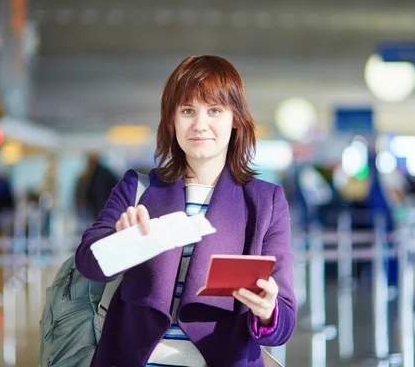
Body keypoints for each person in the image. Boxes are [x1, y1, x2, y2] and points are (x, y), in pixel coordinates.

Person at [75, 55, 297, 366]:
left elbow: (282, 323)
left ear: (235, 119)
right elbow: (87, 262)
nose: (200, 124)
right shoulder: (137, 189)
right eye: (188, 111)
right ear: (171, 120)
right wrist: (119, 242)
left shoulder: (265, 202)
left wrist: (267, 310)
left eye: (215, 110)